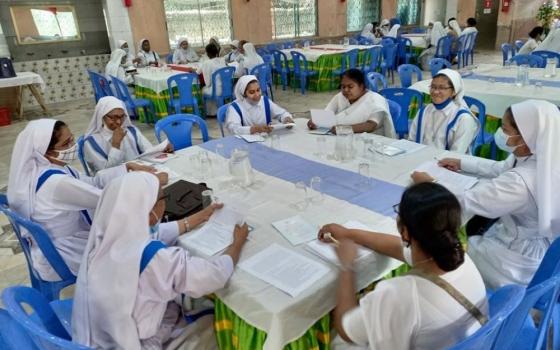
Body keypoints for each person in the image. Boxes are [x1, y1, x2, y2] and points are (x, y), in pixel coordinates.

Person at [72, 171, 249, 349]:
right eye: (164, 197)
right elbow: (213, 276)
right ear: (149, 210)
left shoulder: (101, 241)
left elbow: (159, 231)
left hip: (100, 335)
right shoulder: (154, 258)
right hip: (139, 342)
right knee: (210, 317)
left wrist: (202, 215)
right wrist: (237, 244)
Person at [412, 100, 560, 290]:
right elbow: (500, 168)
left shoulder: (520, 182)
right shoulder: (542, 155)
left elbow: (467, 201)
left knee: (443, 255)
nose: (500, 133)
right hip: (536, 241)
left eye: (505, 129)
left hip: (517, 259)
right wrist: (462, 163)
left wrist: (430, 184)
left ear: (525, 136)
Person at [319, 182, 488, 349]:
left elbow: (345, 328)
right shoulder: (461, 259)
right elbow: (397, 247)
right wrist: (350, 234)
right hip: (466, 342)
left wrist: (347, 267)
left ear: (405, 231)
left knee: (338, 340)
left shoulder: (399, 293)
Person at [7, 119, 158, 281]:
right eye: (66, 143)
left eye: (71, 138)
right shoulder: (56, 183)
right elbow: (105, 199)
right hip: (62, 253)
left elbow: (91, 182)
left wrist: (126, 168)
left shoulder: (50, 168)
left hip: (56, 243)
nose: (73, 145)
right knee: (135, 247)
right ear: (46, 151)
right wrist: (149, 183)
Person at [83, 96, 173, 174]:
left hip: (139, 174)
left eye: (122, 116)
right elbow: (105, 174)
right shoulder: (91, 143)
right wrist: (116, 145)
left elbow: (148, 151)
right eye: (113, 117)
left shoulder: (131, 131)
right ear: (102, 116)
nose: (118, 122)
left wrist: (162, 149)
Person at [307, 69, 396, 137]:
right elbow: (327, 113)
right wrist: (316, 121)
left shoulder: (375, 100)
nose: (346, 90)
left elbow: (371, 125)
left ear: (361, 86)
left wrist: (343, 130)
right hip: (342, 139)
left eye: (350, 86)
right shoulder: (340, 97)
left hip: (370, 141)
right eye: (343, 86)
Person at [408, 69, 479, 154]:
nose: (435, 91)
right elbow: (411, 141)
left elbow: (456, 154)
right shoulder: (424, 111)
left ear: (454, 92)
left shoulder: (464, 119)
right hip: (421, 159)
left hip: (448, 164)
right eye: (433, 87)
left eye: (442, 88)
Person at [226, 75, 294, 135]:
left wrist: (286, 118)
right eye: (251, 92)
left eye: (258, 90)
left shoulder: (264, 101)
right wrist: (252, 129)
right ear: (243, 94)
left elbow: (281, 113)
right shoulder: (235, 108)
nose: (257, 95)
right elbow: (233, 128)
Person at [197, 43, 227, 116]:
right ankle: (216, 110)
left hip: (216, 90)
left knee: (203, 89)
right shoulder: (222, 60)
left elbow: (208, 83)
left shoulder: (207, 63)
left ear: (207, 53)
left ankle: (210, 112)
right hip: (226, 88)